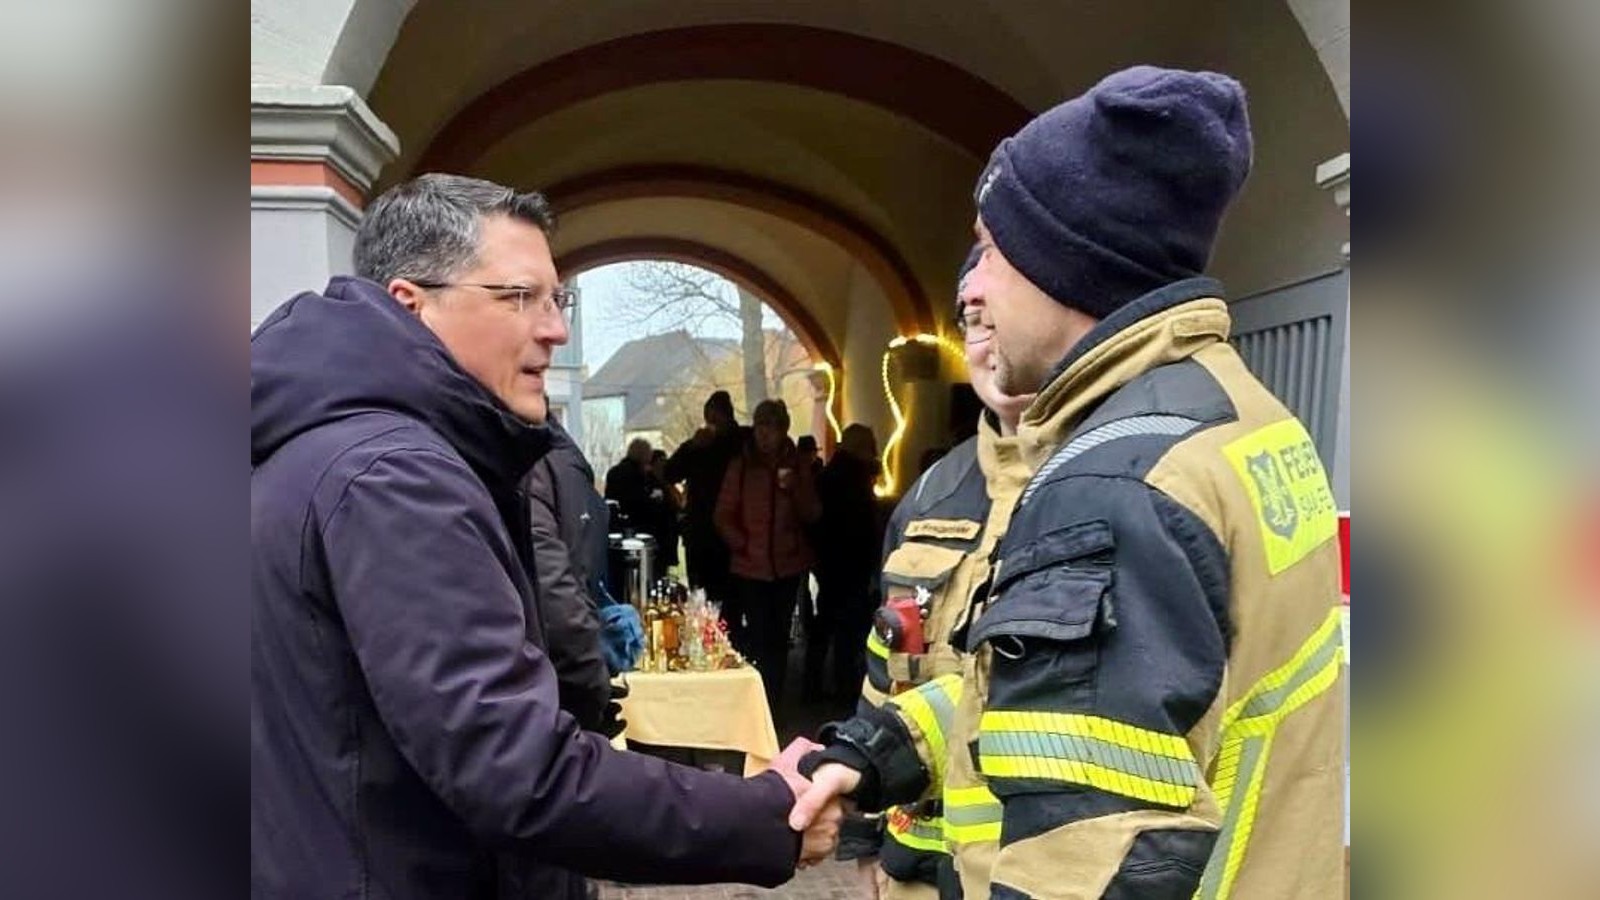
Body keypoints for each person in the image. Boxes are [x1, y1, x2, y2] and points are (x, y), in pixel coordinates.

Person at [792, 67, 1345, 900]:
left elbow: (1087, 860)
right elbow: (1111, 707)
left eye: (993, 247)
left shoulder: (1109, 486)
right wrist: (879, 755)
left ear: (1066, 262)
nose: (972, 283)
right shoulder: (1240, 419)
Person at [252, 173, 840, 900]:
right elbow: (512, 766)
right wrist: (766, 815)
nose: (555, 329)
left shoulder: (326, 447)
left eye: (557, 300)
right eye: (519, 297)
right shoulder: (395, 478)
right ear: (412, 304)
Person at [843, 248, 1036, 900]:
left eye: (1008, 314)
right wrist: (865, 838)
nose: (993, 342)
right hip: (918, 871)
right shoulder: (930, 494)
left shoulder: (1107, 477)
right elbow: (883, 671)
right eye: (974, 322)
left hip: (1029, 874)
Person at [714, 399, 821, 707]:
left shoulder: (797, 465)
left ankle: (774, 700)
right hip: (751, 566)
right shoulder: (742, 466)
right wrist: (742, 544)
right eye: (760, 426)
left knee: (779, 638)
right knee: (758, 637)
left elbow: (812, 513)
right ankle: (758, 700)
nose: (764, 435)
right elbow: (723, 513)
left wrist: (795, 487)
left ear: (783, 430)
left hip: (787, 565)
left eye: (771, 428)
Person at [523, 416, 620, 736]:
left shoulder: (535, 464)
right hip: (552, 683)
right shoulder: (562, 462)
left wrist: (589, 686)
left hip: (545, 689)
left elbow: (558, 591)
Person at [807, 424, 881, 704]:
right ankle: (845, 688)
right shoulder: (857, 480)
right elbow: (865, 528)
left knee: (824, 625)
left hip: (829, 561)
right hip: (853, 563)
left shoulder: (825, 477)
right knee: (849, 632)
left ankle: (812, 685)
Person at [664, 391, 745, 601]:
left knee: (713, 598)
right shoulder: (737, 441)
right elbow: (670, 472)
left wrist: (692, 447)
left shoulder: (739, 442)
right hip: (713, 532)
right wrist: (692, 446)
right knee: (719, 598)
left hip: (717, 532)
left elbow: (669, 472)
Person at [604, 437, 655, 535]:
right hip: (635, 525)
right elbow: (639, 502)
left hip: (616, 523)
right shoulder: (637, 474)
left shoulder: (614, 471)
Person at [649, 448, 683, 570]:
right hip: (658, 537)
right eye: (661, 461)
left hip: (668, 537)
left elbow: (679, 505)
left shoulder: (669, 486)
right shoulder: (650, 484)